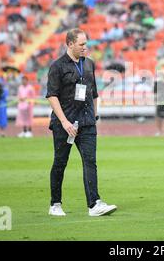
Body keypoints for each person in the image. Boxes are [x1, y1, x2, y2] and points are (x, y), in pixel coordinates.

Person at [46, 29, 117, 217]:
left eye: (86, 44)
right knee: (60, 162)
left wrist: (94, 117)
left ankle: (94, 204)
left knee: (90, 161)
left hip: (86, 122)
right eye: (81, 44)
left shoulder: (89, 64)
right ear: (70, 44)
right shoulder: (57, 66)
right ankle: (55, 204)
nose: (85, 48)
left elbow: (94, 93)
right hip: (65, 124)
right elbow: (52, 96)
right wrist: (64, 122)